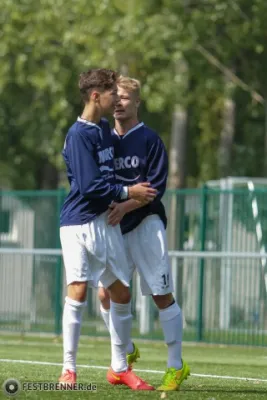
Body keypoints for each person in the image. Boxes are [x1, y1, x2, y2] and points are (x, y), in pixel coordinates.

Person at [59, 69, 156, 390]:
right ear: (95, 96)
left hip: (105, 222)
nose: (117, 97)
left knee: (121, 293)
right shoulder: (78, 134)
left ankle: (119, 368)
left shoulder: (103, 130)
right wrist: (129, 193)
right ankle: (68, 370)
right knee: (79, 289)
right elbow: (89, 186)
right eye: (111, 92)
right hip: (77, 223)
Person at [98, 76, 190, 392]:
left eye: (126, 97)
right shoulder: (102, 139)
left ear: (138, 102)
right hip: (112, 227)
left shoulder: (149, 139)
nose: (120, 102)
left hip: (146, 225)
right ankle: (123, 351)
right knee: (104, 293)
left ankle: (176, 366)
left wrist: (124, 207)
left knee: (161, 295)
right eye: (116, 97)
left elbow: (156, 188)